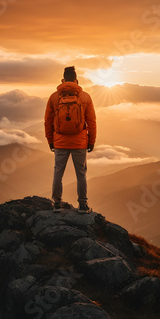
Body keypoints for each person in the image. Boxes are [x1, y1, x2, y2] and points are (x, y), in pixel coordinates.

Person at [44, 66, 96, 213]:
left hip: (60, 141)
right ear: (76, 80)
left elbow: (47, 121)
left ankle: (57, 204)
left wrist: (50, 140)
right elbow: (92, 121)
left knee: (58, 172)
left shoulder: (54, 97)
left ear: (62, 80)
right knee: (81, 174)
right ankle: (83, 205)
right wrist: (91, 141)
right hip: (80, 142)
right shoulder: (85, 97)